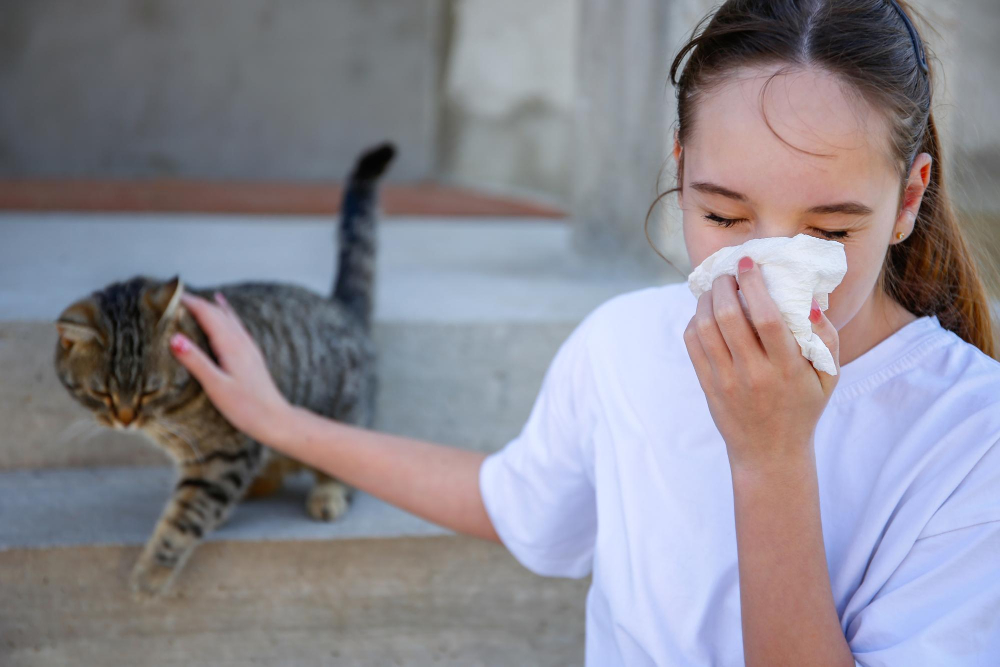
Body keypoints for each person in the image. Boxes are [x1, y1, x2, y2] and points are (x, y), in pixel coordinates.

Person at [167, 1, 1000, 664]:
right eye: (721, 213)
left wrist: (772, 459)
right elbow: (511, 496)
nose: (763, 269)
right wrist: (281, 423)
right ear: (678, 171)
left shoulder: (972, 436)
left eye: (828, 231)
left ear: (909, 198)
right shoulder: (623, 344)